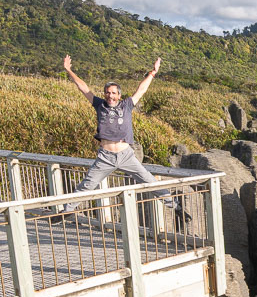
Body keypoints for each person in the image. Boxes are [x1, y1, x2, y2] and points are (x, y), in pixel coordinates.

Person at [56, 55, 188, 223]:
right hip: (105, 156)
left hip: (126, 155)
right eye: (108, 93)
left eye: (113, 93)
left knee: (150, 182)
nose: (110, 96)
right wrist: (68, 70)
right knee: (87, 185)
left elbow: (141, 89)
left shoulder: (126, 105)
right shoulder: (99, 105)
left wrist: (153, 72)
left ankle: (175, 206)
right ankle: (66, 212)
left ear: (119, 95)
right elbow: (83, 87)